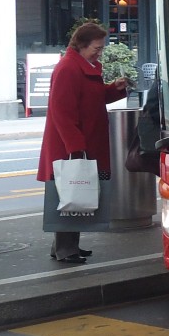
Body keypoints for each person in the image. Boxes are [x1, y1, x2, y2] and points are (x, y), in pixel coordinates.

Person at [36, 22, 130, 263]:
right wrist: (75, 148)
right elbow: (61, 112)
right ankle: (66, 249)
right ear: (81, 45)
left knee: (73, 193)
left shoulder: (82, 66)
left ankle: (64, 247)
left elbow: (93, 99)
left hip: (81, 140)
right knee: (71, 193)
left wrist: (114, 90)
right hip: (73, 144)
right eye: (96, 48)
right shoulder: (68, 68)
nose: (99, 53)